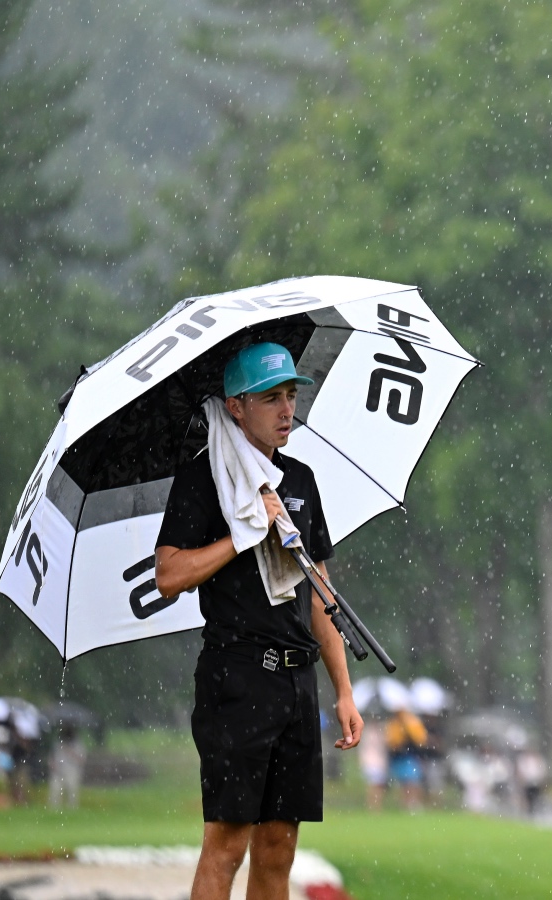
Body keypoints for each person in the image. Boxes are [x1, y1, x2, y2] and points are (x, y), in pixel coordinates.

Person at [155, 342, 362, 900]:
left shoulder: (300, 481)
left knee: (279, 847)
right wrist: (241, 536)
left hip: (297, 682)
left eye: (292, 396)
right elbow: (169, 575)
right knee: (227, 844)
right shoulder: (203, 479)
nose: (287, 409)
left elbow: (320, 595)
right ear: (236, 407)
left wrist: (342, 690)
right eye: (272, 398)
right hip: (236, 678)